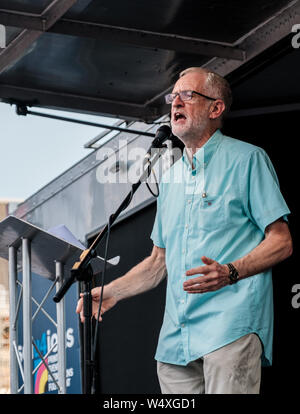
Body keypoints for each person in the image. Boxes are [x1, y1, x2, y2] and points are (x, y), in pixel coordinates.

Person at [76, 67, 292, 394]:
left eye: (187, 95)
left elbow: (282, 241)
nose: (175, 102)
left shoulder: (248, 159)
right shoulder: (171, 178)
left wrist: (231, 271)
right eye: (172, 96)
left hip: (229, 327)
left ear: (215, 108)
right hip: (176, 339)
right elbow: (156, 262)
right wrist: (112, 292)